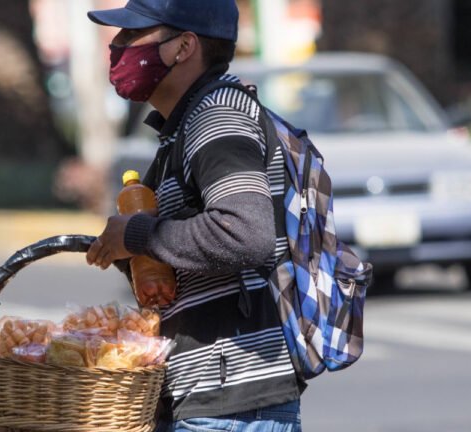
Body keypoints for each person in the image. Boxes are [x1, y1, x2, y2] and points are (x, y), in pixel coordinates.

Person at [84, 1, 303, 430]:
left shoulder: (217, 115)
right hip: (206, 398)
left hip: (233, 403)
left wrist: (138, 235)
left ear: (184, 46)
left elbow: (244, 234)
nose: (119, 46)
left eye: (133, 35)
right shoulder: (181, 129)